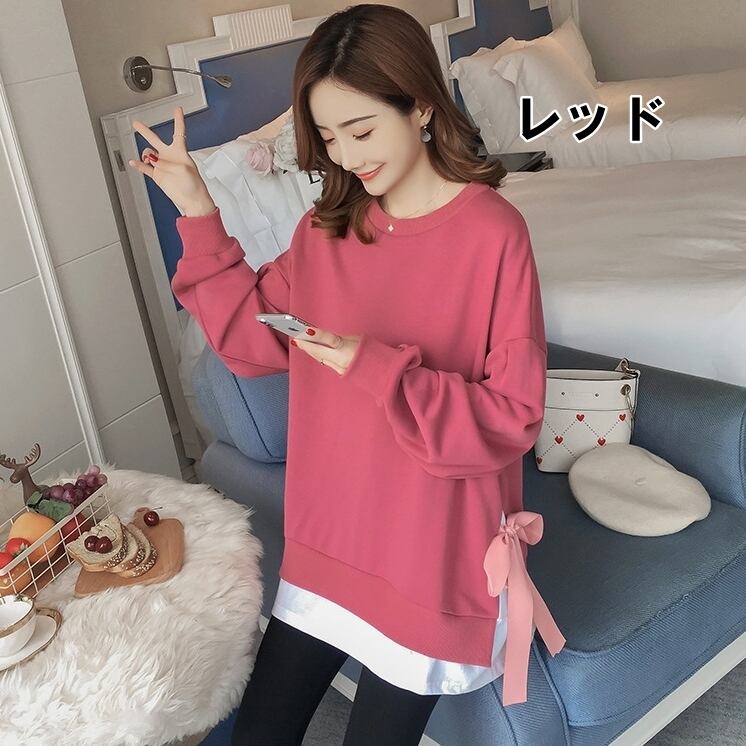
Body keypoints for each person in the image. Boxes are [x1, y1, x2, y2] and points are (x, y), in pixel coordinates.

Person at [128, 4, 566, 744]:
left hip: (428, 558)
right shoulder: (325, 230)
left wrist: (377, 368)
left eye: (361, 130)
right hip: (330, 546)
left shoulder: (493, 234)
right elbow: (249, 340)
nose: (346, 155)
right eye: (328, 137)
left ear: (420, 105)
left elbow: (511, 415)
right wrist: (199, 210)